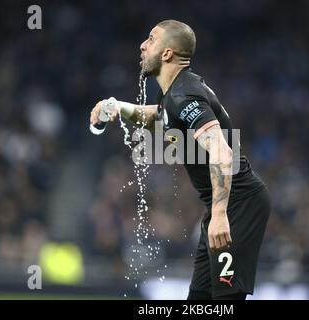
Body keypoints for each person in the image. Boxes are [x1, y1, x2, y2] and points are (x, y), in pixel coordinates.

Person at [90, 20, 270, 300]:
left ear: (166, 54)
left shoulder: (184, 96)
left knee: (225, 303)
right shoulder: (176, 93)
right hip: (223, 206)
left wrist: (221, 215)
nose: (142, 45)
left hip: (238, 206)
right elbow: (160, 118)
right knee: (198, 301)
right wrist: (119, 107)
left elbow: (222, 151)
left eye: (151, 39)